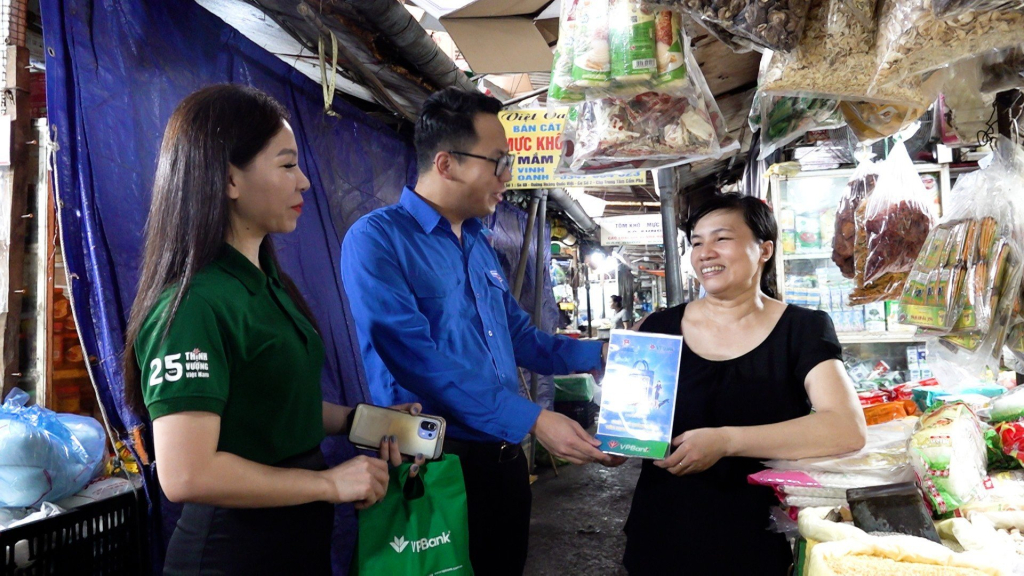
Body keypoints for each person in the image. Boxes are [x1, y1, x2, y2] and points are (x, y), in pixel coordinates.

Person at [121, 84, 422, 575]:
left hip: (294, 541)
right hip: (232, 554)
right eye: (286, 165)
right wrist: (331, 484)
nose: (304, 182)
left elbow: (270, 398)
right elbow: (186, 473)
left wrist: (361, 422)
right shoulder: (195, 304)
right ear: (228, 179)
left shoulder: (266, 284)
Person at [340, 87, 622, 576]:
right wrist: (533, 419)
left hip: (503, 458)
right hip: (429, 464)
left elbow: (522, 338)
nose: (507, 177)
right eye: (498, 162)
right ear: (446, 164)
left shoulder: (478, 243)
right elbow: (417, 360)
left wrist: (599, 355)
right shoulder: (376, 240)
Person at [622, 193, 867, 575]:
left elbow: (845, 428)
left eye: (721, 238)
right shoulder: (658, 329)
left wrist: (726, 441)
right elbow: (628, 427)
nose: (704, 253)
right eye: (697, 242)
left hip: (761, 534)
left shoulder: (802, 329)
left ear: (764, 249)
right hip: (664, 532)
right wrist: (611, 444)